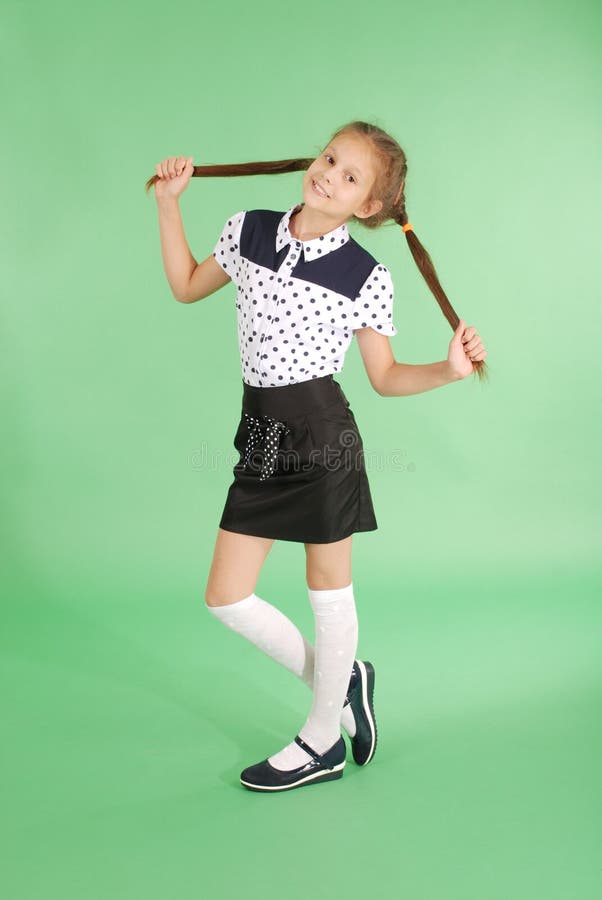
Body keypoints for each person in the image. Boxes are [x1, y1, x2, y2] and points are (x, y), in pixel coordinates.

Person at [149, 120, 488, 793]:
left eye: (351, 176)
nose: (330, 175)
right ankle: (344, 679)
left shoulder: (366, 275)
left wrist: (449, 371)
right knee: (226, 597)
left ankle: (322, 740)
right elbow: (186, 285)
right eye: (331, 158)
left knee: (326, 588)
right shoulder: (246, 229)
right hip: (263, 431)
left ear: (368, 207)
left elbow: (385, 379)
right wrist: (169, 205)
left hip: (322, 434)